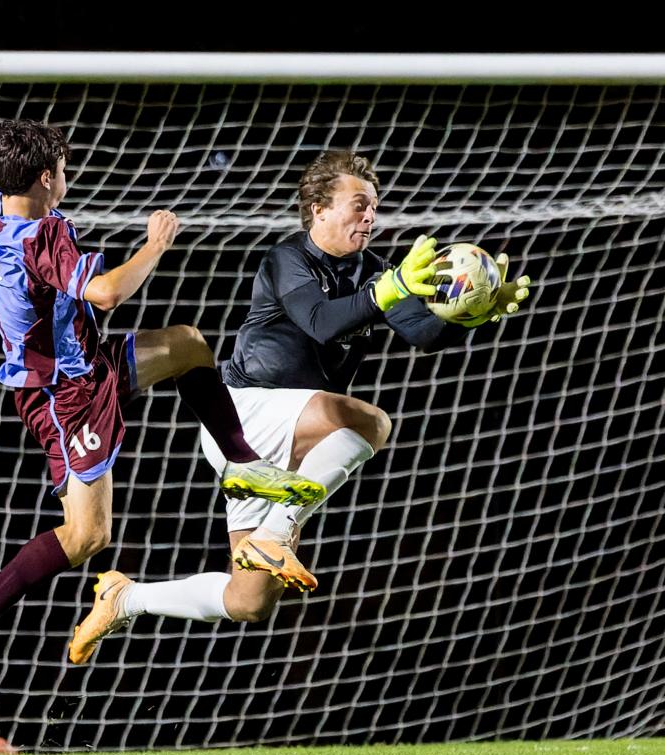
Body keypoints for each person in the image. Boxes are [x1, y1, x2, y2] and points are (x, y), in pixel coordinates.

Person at [0, 50, 326, 699]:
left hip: (91, 364)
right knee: (88, 536)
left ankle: (243, 461)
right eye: (64, 169)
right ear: (47, 177)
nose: (66, 176)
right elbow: (104, 292)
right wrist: (156, 244)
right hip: (66, 393)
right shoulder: (40, 236)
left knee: (191, 346)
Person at [68, 148, 533, 664]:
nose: (370, 216)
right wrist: (387, 290)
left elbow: (420, 332)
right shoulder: (288, 259)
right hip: (243, 419)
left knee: (249, 601)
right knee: (372, 422)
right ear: (318, 209)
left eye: (374, 206)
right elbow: (320, 321)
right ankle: (275, 533)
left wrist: (473, 315)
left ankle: (126, 598)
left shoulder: (374, 270)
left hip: (287, 441)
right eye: (358, 205)